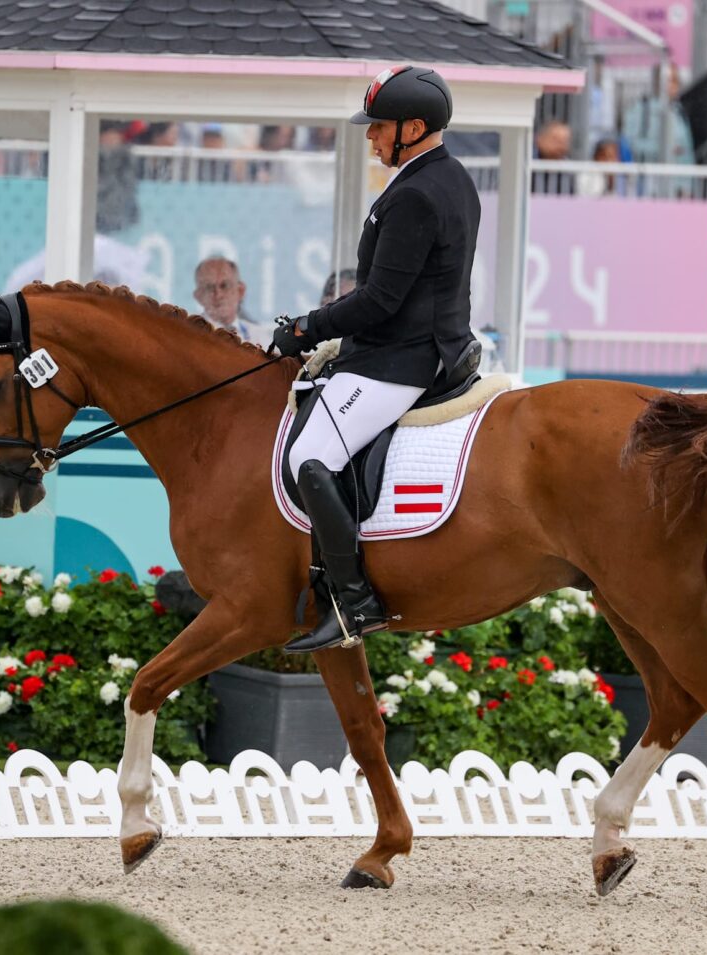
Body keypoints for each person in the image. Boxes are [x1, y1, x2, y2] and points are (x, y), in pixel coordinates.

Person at [271, 64, 481, 653]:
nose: (370, 136)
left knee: (309, 454)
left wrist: (306, 328)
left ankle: (354, 603)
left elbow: (380, 301)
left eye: (379, 127)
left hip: (402, 360)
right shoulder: (451, 176)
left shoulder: (414, 193)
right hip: (425, 345)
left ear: (413, 128)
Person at [192, 256, 266, 344]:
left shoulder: (262, 337)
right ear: (198, 296)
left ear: (240, 291)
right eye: (209, 287)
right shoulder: (188, 335)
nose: (218, 294)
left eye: (224, 285)